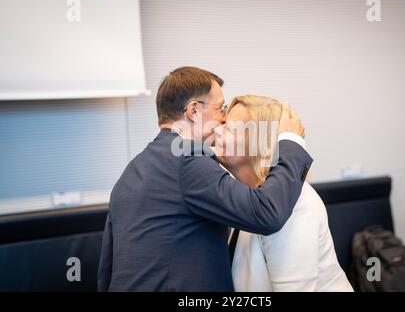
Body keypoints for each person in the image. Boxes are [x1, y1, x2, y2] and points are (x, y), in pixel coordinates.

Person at [97, 67, 313, 291]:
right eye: (221, 108)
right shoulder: (187, 158)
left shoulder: (131, 171)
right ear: (194, 111)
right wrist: (290, 143)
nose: (222, 119)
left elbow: (107, 270)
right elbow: (266, 213)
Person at [215, 95, 353, 291]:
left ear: (257, 143)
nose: (216, 131)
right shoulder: (251, 196)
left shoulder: (294, 203)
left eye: (228, 128)